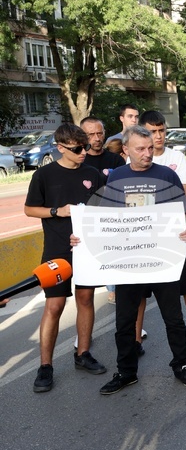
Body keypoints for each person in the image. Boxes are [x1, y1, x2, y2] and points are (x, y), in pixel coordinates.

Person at [95, 126, 186, 395]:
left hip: (162, 260)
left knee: (173, 319)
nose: (147, 153)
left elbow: (185, 214)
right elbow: (104, 218)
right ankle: (126, 371)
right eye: (140, 149)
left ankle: (182, 365)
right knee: (124, 322)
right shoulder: (117, 176)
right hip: (129, 261)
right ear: (126, 150)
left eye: (150, 148)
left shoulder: (167, 175)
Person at [23, 123, 105, 392]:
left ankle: (83, 354)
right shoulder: (43, 175)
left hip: (87, 248)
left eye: (86, 147)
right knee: (55, 305)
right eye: (77, 148)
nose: (84, 152)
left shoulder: (92, 174)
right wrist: (57, 211)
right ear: (60, 147)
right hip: (56, 250)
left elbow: (104, 209)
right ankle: (45, 366)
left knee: (86, 299)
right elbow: (30, 209)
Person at [133, 111, 186, 361]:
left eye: (161, 131)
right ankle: (135, 341)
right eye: (152, 132)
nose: (158, 136)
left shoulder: (176, 157)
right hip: (143, 240)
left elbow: (185, 195)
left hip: (174, 235)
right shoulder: (130, 161)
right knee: (139, 294)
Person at [81, 117, 125, 181]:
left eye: (100, 133)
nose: (97, 139)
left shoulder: (116, 160)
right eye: (91, 134)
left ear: (104, 133)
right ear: (82, 136)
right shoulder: (79, 161)